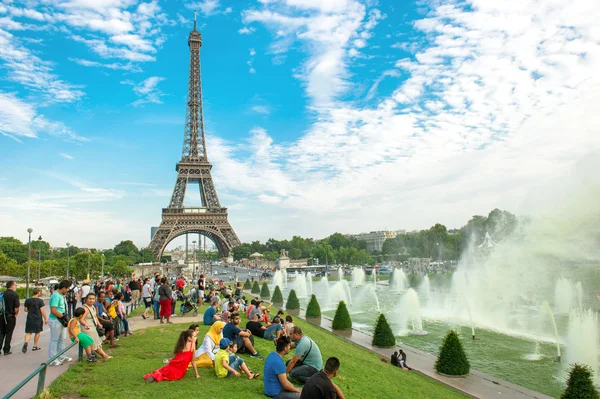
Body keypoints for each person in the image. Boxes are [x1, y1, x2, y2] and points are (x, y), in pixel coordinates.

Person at [48, 280, 72, 366]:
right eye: (68, 288)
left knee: (62, 339)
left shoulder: (61, 296)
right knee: (54, 339)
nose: (68, 290)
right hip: (56, 320)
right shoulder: (55, 296)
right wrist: (63, 317)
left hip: (61, 320)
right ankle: (53, 359)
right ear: (64, 288)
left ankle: (61, 356)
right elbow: (53, 310)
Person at [81, 293, 112, 360]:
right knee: (93, 343)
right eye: (89, 299)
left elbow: (95, 316)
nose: (91, 300)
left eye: (93, 299)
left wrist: (98, 324)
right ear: (86, 299)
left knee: (96, 342)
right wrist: (85, 324)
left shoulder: (93, 307)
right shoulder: (85, 308)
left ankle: (94, 355)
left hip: (93, 327)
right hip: (88, 328)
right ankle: (104, 355)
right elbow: (81, 319)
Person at [22, 287, 47, 353]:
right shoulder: (40, 301)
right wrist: (45, 318)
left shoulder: (28, 300)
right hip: (37, 318)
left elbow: (25, 309)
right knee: (37, 332)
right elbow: (42, 311)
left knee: (29, 332)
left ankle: (26, 342)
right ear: (38, 292)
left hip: (30, 317)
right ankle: (35, 346)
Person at [0, 281, 20, 355]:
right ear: (12, 286)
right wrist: (15, 314)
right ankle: (6, 349)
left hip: (2, 315)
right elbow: (16, 308)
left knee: (2, 332)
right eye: (15, 285)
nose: (16, 286)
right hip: (10, 316)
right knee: (9, 333)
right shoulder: (14, 295)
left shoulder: (2, 294)